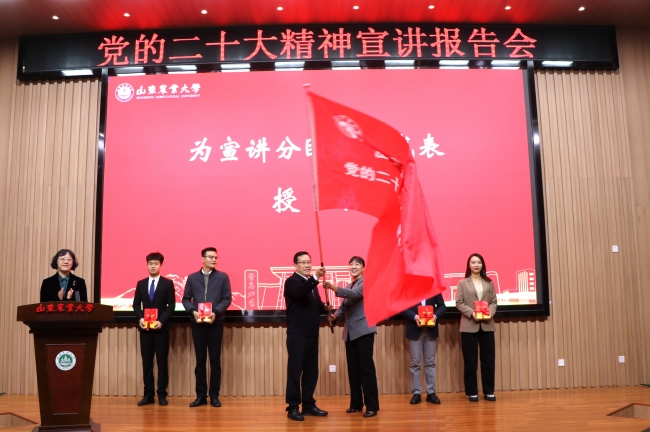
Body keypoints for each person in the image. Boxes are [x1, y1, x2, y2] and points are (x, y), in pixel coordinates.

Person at [324, 256, 379, 418]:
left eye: (357, 264)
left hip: (364, 331)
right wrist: (335, 316)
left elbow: (355, 294)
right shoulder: (350, 285)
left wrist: (334, 287)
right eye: (351, 264)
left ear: (363, 268)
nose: (354, 267)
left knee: (366, 370)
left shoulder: (366, 282)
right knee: (353, 370)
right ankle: (356, 403)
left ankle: (372, 406)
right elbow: (343, 308)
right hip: (349, 333)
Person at [284, 251, 331, 421]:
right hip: (297, 334)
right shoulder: (292, 282)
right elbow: (299, 293)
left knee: (311, 372)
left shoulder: (311, 284)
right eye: (303, 262)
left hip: (312, 334)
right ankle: (293, 407)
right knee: (295, 371)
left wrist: (325, 308)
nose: (307, 265)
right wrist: (316, 277)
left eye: (308, 262)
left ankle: (309, 405)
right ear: (295, 265)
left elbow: (315, 305)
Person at [182, 247, 232, 408]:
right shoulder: (192, 278)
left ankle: (214, 396)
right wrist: (193, 311)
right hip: (197, 323)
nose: (214, 260)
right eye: (210, 257)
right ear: (202, 259)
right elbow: (185, 299)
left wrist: (215, 312)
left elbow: (227, 299)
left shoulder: (223, 277)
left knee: (215, 360)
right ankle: (201, 396)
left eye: (216, 257)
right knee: (200, 360)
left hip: (215, 323)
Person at [132, 252, 176, 407]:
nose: (153, 266)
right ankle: (148, 395)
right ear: (147, 265)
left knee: (162, 363)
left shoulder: (167, 283)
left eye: (156, 263)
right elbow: (136, 304)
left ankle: (162, 394)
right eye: (150, 263)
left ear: (161, 265)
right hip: (145, 329)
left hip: (161, 330)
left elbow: (171, 306)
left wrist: (161, 321)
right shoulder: (141, 283)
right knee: (147, 363)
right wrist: (140, 318)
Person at [456, 253, 498, 402]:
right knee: (470, 361)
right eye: (473, 262)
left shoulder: (489, 283)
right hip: (469, 325)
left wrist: (490, 313)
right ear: (469, 265)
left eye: (479, 262)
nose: (476, 265)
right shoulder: (462, 283)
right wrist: (472, 313)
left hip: (487, 325)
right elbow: (459, 303)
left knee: (488, 361)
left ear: (482, 265)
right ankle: (472, 392)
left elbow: (493, 302)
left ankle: (489, 391)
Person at [400, 293, 446, 405]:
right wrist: (415, 317)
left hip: (431, 329)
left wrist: (435, 316)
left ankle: (431, 393)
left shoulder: (434, 288)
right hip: (414, 328)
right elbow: (402, 307)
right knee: (415, 362)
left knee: (430, 362)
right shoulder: (408, 289)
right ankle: (416, 393)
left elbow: (442, 306)